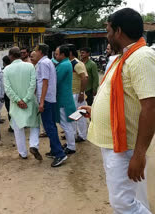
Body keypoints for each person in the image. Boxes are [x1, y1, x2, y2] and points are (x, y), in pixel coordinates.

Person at [80, 8, 155, 213]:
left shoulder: (141, 57)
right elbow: (120, 99)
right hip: (116, 143)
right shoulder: (125, 57)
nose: (107, 35)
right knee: (126, 200)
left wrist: (139, 155)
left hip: (125, 146)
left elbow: (150, 106)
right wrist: (95, 111)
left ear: (118, 31)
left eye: (108, 30)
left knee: (123, 204)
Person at [3, 47, 42, 160]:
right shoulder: (30, 66)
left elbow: (7, 88)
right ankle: (34, 145)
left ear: (10, 56)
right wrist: (26, 99)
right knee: (35, 124)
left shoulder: (6, 69)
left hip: (16, 104)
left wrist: (18, 100)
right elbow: (33, 85)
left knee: (18, 128)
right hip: (29, 102)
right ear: (20, 55)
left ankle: (23, 153)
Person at [35, 44, 67, 167]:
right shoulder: (48, 62)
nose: (34, 53)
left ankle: (60, 154)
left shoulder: (43, 63)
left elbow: (45, 82)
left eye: (36, 51)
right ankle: (55, 150)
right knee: (51, 126)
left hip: (47, 99)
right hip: (50, 98)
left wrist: (41, 101)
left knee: (49, 127)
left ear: (40, 52)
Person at [55, 45, 77, 155]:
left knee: (66, 124)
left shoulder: (64, 65)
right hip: (65, 98)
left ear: (63, 55)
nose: (55, 55)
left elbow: (56, 80)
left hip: (63, 99)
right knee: (67, 124)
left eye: (57, 54)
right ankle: (70, 144)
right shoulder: (66, 63)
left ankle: (71, 146)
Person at [67, 44, 88, 142]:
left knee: (80, 115)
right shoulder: (70, 63)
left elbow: (84, 78)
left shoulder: (77, 63)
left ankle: (82, 135)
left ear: (70, 52)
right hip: (72, 93)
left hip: (77, 93)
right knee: (73, 115)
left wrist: (81, 93)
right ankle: (74, 134)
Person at [2, 55, 13, 133]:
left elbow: (3, 84)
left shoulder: (5, 70)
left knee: (10, 110)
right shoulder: (14, 69)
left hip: (8, 93)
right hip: (16, 92)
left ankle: (12, 126)